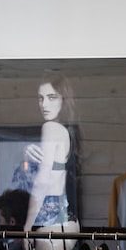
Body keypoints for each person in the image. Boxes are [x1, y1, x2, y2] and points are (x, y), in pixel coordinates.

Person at [20, 73, 78, 231]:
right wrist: (26, 157)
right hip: (65, 216)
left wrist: (28, 225)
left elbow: (42, 181)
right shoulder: (66, 130)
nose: (44, 104)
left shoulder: (51, 128)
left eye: (51, 97)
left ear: (63, 100)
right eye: (41, 98)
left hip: (48, 219)